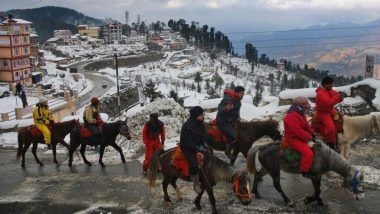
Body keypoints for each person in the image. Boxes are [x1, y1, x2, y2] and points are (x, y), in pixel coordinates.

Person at [284, 96, 316, 178]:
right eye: (305, 107)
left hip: (299, 136)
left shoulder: (301, 114)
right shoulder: (291, 116)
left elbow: (305, 126)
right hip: (292, 138)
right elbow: (297, 131)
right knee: (308, 153)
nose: (306, 109)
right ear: (299, 106)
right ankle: (304, 171)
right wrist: (309, 136)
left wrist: (312, 131)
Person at [180, 106, 207, 193]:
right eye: (201, 114)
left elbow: (203, 136)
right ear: (196, 116)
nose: (203, 116)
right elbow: (187, 141)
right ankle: (195, 184)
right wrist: (197, 149)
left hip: (198, 146)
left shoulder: (201, 124)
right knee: (193, 164)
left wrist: (204, 145)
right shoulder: (187, 126)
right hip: (187, 148)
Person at [315, 76, 343, 152]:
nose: (331, 86)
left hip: (330, 110)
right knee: (331, 129)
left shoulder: (328, 90)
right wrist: (338, 98)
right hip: (323, 113)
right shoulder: (320, 94)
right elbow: (328, 103)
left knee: (340, 117)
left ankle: (341, 133)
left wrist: (340, 96)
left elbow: (335, 94)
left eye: (332, 84)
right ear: (325, 84)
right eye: (330, 84)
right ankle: (331, 145)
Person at [216, 86, 245, 159]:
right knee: (235, 136)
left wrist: (238, 118)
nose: (243, 95)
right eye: (241, 93)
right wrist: (226, 108)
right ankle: (228, 151)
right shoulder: (228, 99)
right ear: (236, 93)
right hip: (223, 121)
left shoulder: (237, 99)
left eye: (243, 93)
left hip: (232, 120)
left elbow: (236, 110)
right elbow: (219, 108)